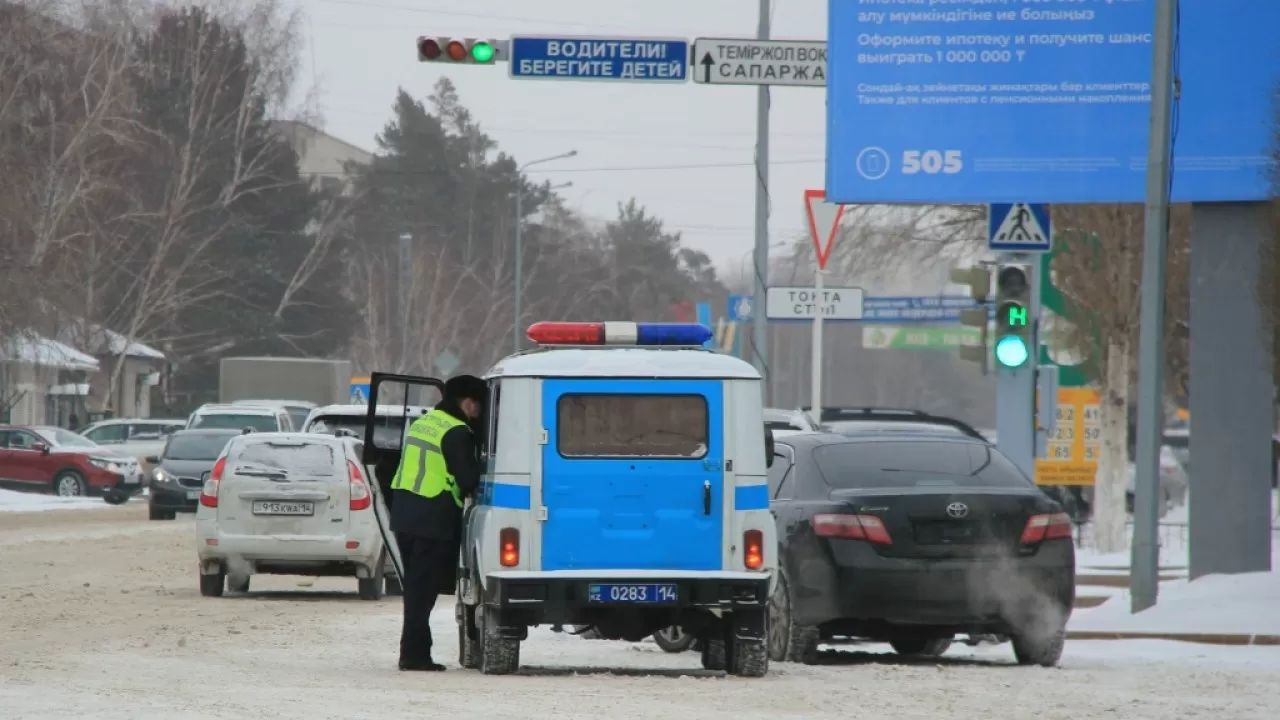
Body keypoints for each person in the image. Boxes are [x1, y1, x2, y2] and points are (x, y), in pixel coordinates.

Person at [390, 374, 485, 672]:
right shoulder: (456, 431)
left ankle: (414, 651)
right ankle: (414, 656)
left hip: (406, 514)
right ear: (468, 402)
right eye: (480, 406)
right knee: (423, 591)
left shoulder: (426, 422)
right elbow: (467, 479)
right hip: (431, 517)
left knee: (416, 589)